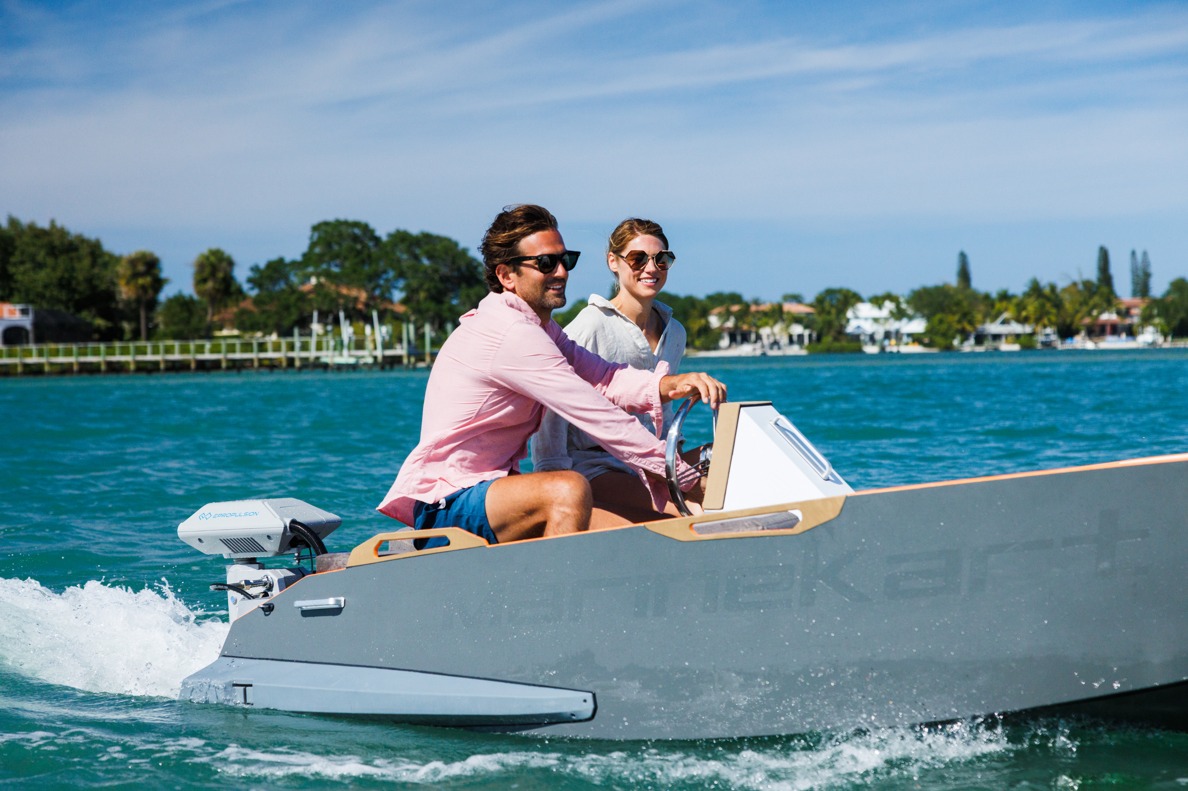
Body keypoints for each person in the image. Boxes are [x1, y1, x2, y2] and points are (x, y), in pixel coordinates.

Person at [377, 204, 726, 545]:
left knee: (652, 534)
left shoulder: (541, 328)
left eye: (565, 260)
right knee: (567, 488)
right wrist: (682, 477)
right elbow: (599, 416)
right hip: (449, 502)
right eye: (546, 263)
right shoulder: (512, 333)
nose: (561, 272)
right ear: (506, 275)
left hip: (494, 491)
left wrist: (669, 384)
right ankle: (555, 585)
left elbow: (604, 377)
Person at [532, 218, 690, 524]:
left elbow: (665, 412)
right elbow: (551, 415)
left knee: (725, 469)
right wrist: (554, 483)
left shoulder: (675, 332)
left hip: (652, 460)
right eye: (638, 258)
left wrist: (677, 454)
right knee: (686, 512)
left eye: (661, 259)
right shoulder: (591, 325)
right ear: (613, 262)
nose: (651, 268)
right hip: (595, 465)